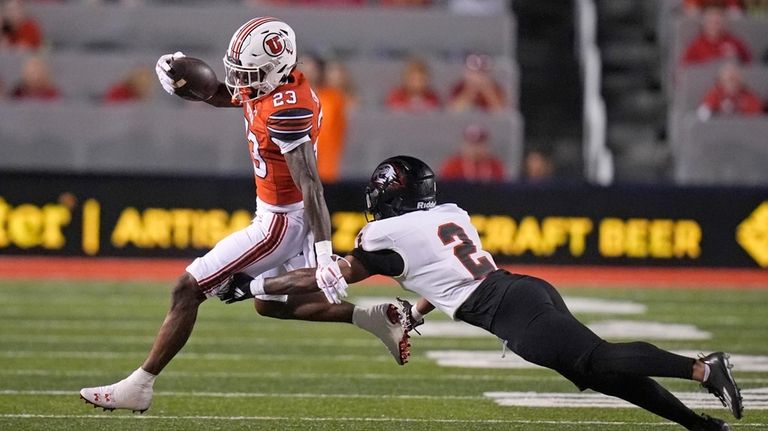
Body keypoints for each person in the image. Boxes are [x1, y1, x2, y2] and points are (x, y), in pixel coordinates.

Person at [225, 155, 743, 431]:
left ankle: (701, 368)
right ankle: (697, 425)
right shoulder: (450, 214)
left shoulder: (381, 238)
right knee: (600, 373)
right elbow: (445, 271)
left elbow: (325, 277)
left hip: (511, 312)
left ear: (387, 199)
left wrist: (253, 284)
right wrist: (421, 309)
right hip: (520, 292)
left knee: (599, 359)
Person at [79, 17, 408, 414]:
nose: (239, 81)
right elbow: (226, 94)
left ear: (276, 68)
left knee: (187, 288)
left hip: (280, 222)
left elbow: (311, 185)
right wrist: (182, 83)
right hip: (287, 214)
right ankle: (376, 318)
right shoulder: (273, 84)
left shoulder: (289, 109)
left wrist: (323, 254)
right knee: (271, 303)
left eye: (248, 73)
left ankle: (140, 385)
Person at [299, 54, 351, 183]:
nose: (307, 72)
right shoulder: (286, 99)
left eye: (311, 68)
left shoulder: (333, 98)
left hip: (327, 168)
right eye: (303, 67)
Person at [682, 5, 752, 65]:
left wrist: (736, 57)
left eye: (718, 22)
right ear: (704, 24)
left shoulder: (735, 42)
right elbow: (684, 70)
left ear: (724, 23)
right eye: (711, 21)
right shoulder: (695, 45)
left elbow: (751, 66)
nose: (714, 26)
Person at [439, 124, 506, 182]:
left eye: (480, 144)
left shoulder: (496, 166)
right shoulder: (452, 165)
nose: (475, 148)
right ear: (462, 145)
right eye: (471, 144)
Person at [697, 62, 763, 119]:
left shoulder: (749, 96)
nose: (732, 82)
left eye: (735, 79)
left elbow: (757, 116)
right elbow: (703, 114)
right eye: (729, 79)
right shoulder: (714, 94)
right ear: (721, 80)